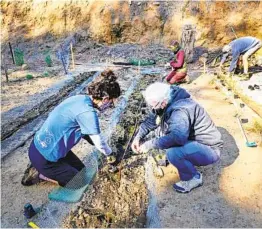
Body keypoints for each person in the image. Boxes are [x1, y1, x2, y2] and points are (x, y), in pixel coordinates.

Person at [21, 70, 121, 187]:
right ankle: (40, 174)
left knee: (82, 172)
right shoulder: (88, 113)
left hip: (41, 146)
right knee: (79, 182)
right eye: (112, 101)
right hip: (44, 157)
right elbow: (100, 143)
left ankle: (42, 167)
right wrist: (110, 155)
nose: (111, 105)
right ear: (105, 99)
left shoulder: (80, 99)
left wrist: (97, 144)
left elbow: (87, 135)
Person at [131, 82, 223, 193]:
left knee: (173, 153)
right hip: (193, 141)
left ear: (164, 102)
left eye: (153, 105)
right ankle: (186, 155)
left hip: (209, 149)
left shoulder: (180, 111)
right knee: (161, 132)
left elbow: (178, 138)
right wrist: (138, 137)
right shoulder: (168, 98)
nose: (152, 108)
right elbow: (151, 121)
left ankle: (193, 178)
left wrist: (149, 144)